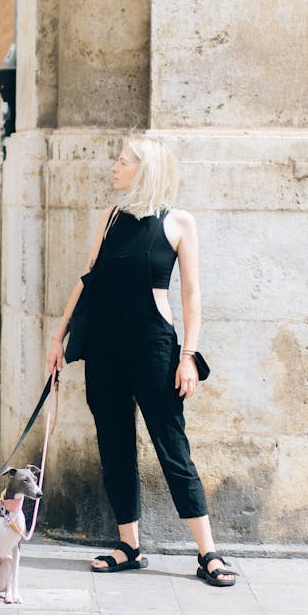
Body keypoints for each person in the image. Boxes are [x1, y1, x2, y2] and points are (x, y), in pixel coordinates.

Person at [47, 135, 237, 588]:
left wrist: (187, 356)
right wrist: (59, 337)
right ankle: (129, 545)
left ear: (144, 169)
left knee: (173, 447)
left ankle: (207, 552)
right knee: (114, 445)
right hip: (105, 349)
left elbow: (191, 295)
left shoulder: (178, 223)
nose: (113, 167)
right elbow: (88, 279)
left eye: (122, 161)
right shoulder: (112, 217)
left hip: (154, 348)